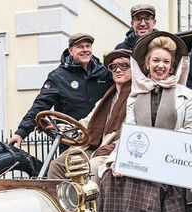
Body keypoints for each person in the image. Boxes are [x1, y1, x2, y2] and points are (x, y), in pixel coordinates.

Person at [98, 31, 192, 212]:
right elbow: (130, 132)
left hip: (171, 161)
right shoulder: (136, 95)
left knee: (156, 185)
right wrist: (118, 161)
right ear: (147, 64)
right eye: (156, 61)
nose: (160, 66)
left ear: (172, 65)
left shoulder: (185, 95)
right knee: (110, 177)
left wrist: (164, 149)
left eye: (166, 62)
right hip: (142, 158)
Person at [8, 34, 111, 147]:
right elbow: (40, 105)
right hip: (71, 140)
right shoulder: (58, 77)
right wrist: (21, 133)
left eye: (88, 46)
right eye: (80, 47)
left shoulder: (104, 72)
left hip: (101, 138)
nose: (85, 50)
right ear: (71, 51)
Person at [47, 49, 133, 181]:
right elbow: (85, 124)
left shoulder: (136, 97)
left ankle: (92, 202)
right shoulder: (108, 97)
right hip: (93, 148)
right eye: (113, 67)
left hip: (115, 152)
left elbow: (135, 133)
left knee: (93, 167)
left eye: (124, 65)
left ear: (134, 69)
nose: (118, 70)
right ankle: (62, 201)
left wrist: (115, 147)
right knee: (57, 165)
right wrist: (59, 128)